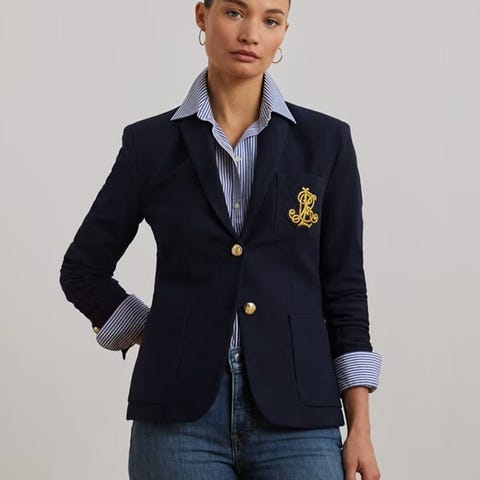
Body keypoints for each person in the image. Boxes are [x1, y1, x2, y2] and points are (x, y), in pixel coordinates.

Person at [59, 1, 382, 479]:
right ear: (201, 16)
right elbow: (83, 269)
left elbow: (345, 289)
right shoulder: (150, 144)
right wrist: (156, 331)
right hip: (178, 420)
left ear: (283, 32)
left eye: (270, 20)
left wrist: (360, 428)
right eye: (234, 12)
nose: (251, 33)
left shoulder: (325, 141)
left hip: (298, 413)